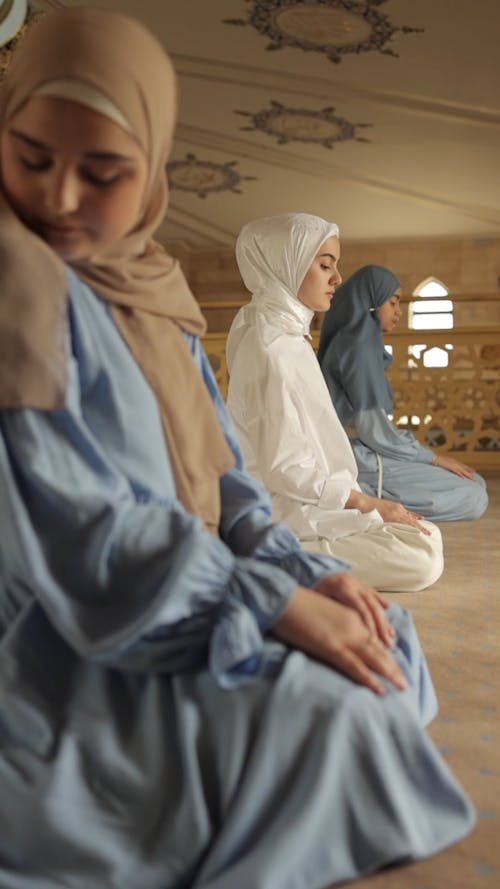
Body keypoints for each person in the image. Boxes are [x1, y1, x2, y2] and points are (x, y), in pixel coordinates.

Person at [0, 9, 474, 888]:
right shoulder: (17, 291)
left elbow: (227, 475)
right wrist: (273, 603)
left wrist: (301, 572)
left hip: (204, 568)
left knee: (385, 639)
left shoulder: (154, 294)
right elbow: (86, 534)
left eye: (103, 172)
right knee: (344, 713)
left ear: (149, 178)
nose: (59, 198)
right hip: (98, 615)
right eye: (30, 158)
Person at [226, 214, 444, 593]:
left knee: (426, 537)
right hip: (281, 507)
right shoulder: (268, 345)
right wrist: (367, 503)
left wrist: (367, 506)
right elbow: (284, 469)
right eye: (325, 264)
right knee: (420, 558)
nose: (337, 278)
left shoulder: (285, 333)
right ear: (285, 265)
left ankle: (283, 556)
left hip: (309, 500)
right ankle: (270, 561)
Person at [317, 264, 488, 521]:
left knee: (475, 483)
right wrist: (434, 459)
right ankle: (368, 500)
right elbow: (376, 434)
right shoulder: (357, 350)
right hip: (360, 459)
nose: (398, 312)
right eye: (393, 303)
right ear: (372, 303)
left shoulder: (355, 343)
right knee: (475, 497)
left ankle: (371, 495)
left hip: (365, 454)